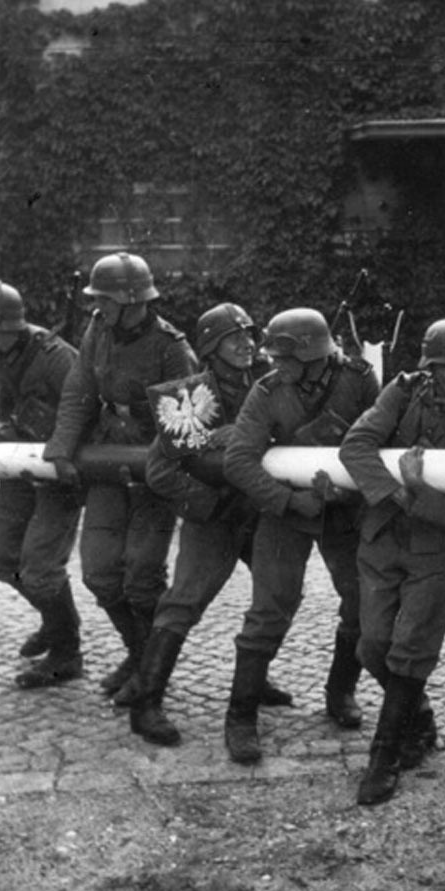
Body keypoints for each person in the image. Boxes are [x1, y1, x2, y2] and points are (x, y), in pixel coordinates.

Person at [122, 303, 293, 745]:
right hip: (214, 515)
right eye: (232, 338)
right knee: (183, 603)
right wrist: (210, 505)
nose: (246, 344)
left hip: (257, 512)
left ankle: (255, 678)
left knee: (278, 596)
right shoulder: (189, 394)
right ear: (210, 349)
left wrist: (243, 433)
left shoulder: (269, 384)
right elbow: (160, 471)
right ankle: (146, 704)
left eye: (249, 335)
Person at [221, 307, 380, 765]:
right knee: (270, 610)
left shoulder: (358, 380)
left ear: (316, 356)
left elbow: (381, 436)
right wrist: (290, 501)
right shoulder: (267, 391)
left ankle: (340, 691)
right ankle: (241, 715)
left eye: (286, 359)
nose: (276, 366)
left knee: (359, 604)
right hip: (285, 510)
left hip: (344, 511)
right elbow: (238, 461)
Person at [340, 318, 445, 805]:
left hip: (437, 550)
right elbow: (355, 447)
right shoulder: (401, 395)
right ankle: (417, 716)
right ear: (428, 367)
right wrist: (395, 494)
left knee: (409, 650)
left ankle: (384, 759)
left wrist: (417, 494)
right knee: (371, 646)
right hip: (382, 537)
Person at [43, 252, 196, 698]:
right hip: (107, 459)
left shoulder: (172, 348)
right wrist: (63, 450)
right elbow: (78, 391)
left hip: (155, 468)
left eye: (106, 299)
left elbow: (187, 426)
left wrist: (163, 467)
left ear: (133, 300)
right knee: (99, 572)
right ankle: (138, 652)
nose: (99, 307)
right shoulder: (98, 330)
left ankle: (150, 671)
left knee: (142, 576)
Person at [0, 279, 84, 688]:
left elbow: (86, 412)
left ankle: (66, 651)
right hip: (19, 468)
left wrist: (53, 435)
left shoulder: (58, 360)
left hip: (59, 474)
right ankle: (55, 618)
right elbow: (0, 406)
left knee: (41, 568)